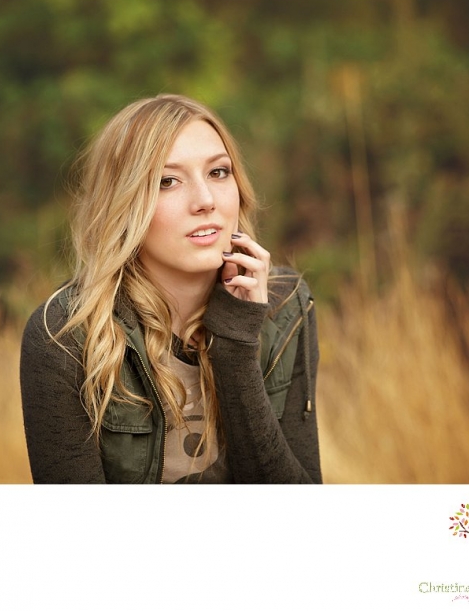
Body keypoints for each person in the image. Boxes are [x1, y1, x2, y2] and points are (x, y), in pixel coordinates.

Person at [20, 93, 322, 483]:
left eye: (218, 172)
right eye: (168, 181)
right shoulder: (64, 334)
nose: (206, 201)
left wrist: (236, 346)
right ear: (124, 204)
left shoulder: (285, 307)